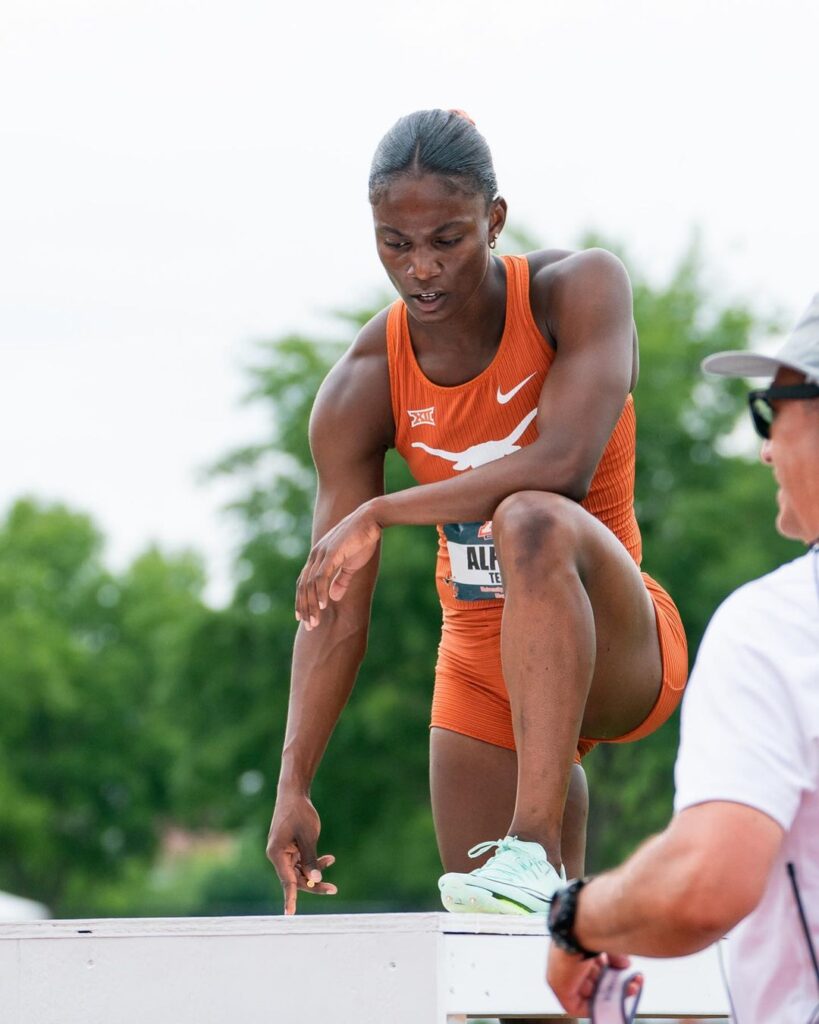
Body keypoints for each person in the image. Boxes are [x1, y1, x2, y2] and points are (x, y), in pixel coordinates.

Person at [266, 108, 688, 918]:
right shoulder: (362, 382)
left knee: (530, 515)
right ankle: (549, 893)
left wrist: (384, 511)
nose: (421, 269)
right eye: (395, 244)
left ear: (494, 220)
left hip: (614, 641)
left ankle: (530, 842)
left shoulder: (579, 290)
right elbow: (333, 609)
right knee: (493, 953)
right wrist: (293, 782)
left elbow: (561, 468)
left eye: (447, 240)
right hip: (480, 659)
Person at [546, 296, 819, 1023]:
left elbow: (706, 883)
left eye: (770, 410)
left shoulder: (779, 624)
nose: (764, 447)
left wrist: (578, 915)